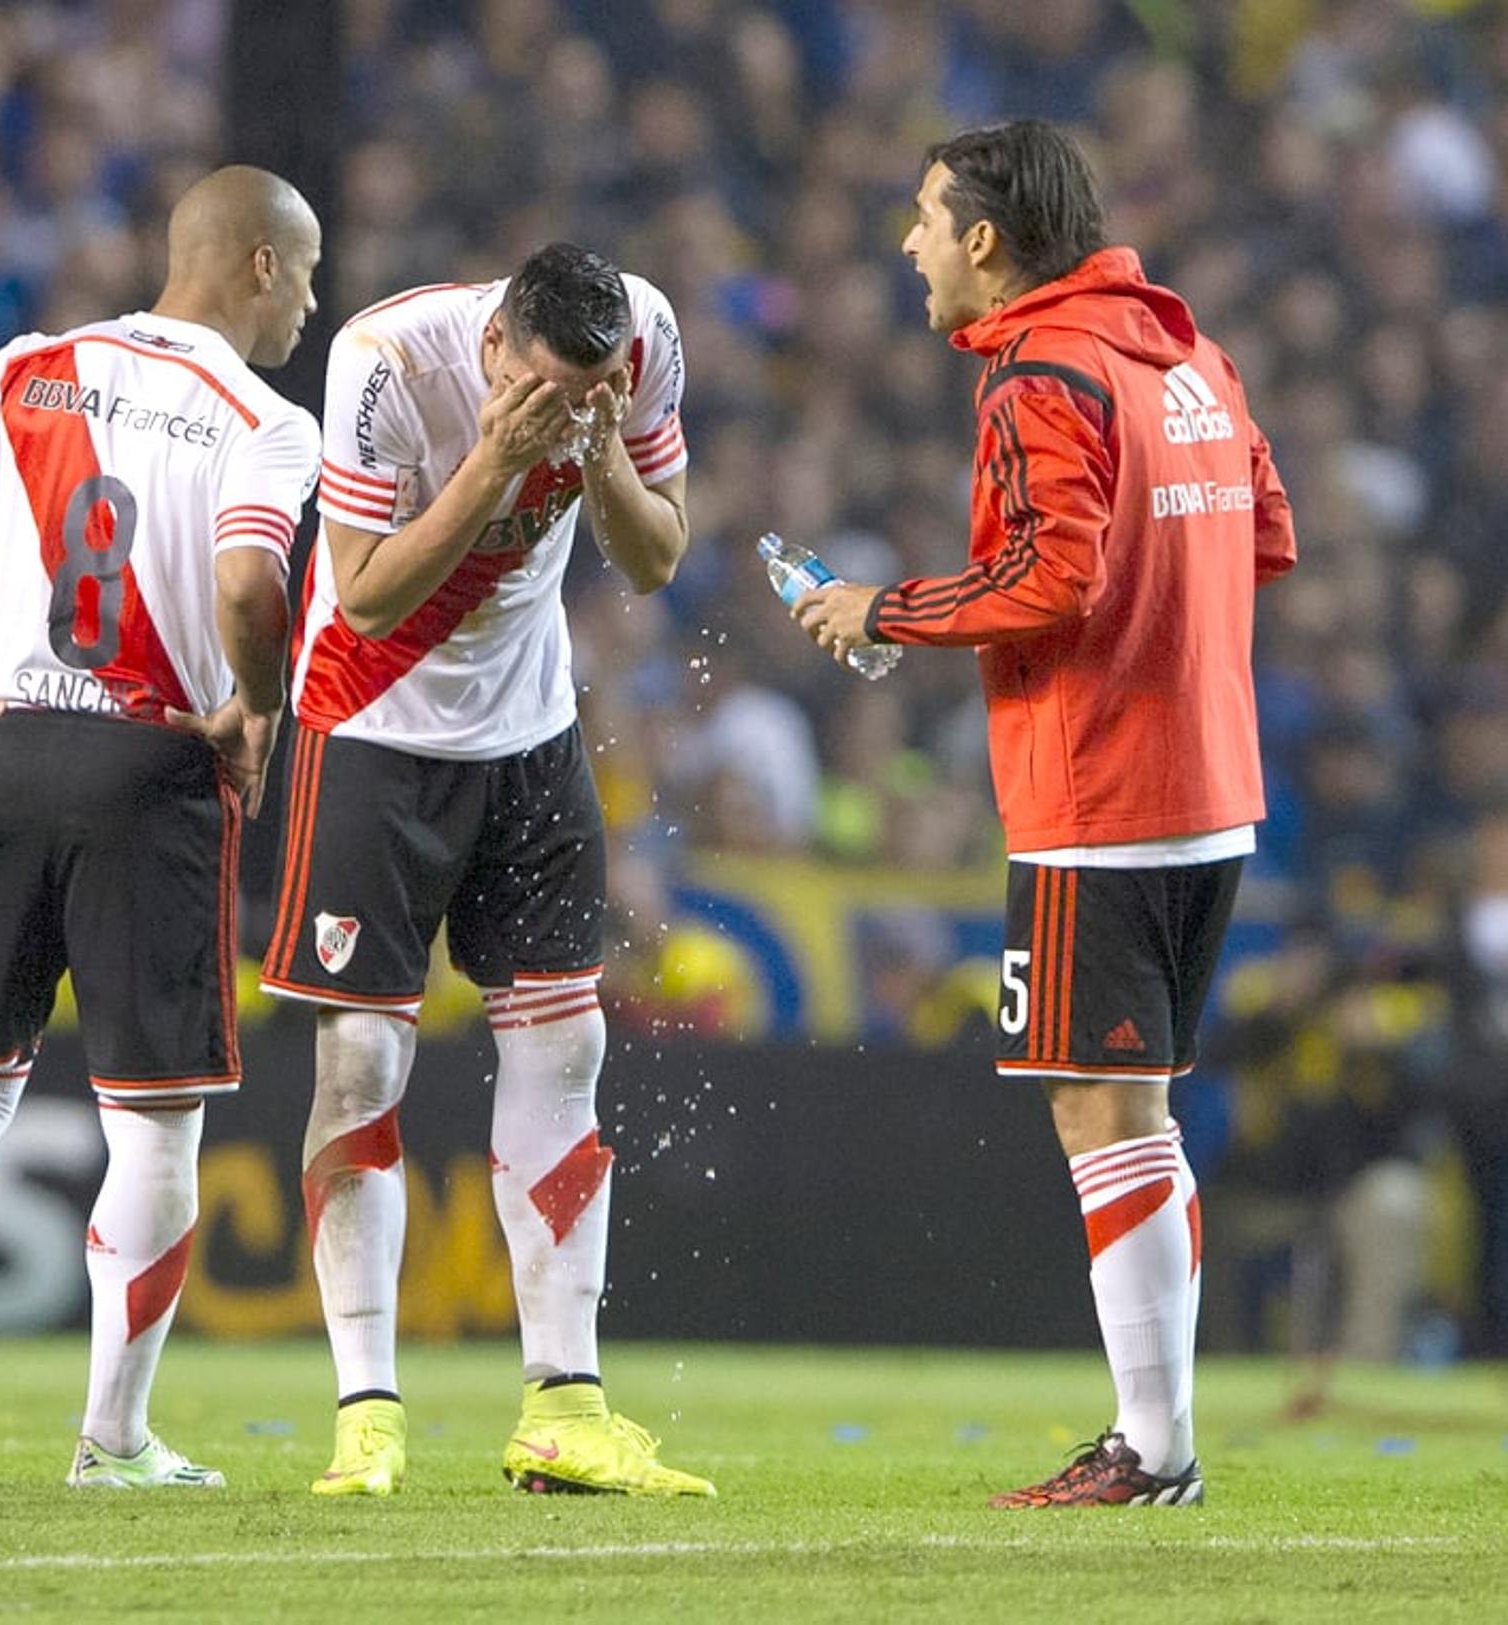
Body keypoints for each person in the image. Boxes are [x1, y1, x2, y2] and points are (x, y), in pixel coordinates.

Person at [795, 121, 1297, 1507]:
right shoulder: (1191, 354)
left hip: (1101, 796)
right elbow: (1265, 531)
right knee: (1140, 1112)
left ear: (984, 238)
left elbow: (1049, 580)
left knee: (1100, 1115)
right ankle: (1165, 1442)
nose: (907, 242)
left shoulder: (1040, 372)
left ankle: (1153, 1449)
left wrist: (880, 607)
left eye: (920, 216)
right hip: (1215, 791)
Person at [0, 166, 322, 1488]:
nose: (313, 303)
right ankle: (111, 1437)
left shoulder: (23, 367)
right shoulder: (264, 417)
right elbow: (242, 580)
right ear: (261, 269)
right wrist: (256, 712)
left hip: (6, 751)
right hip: (149, 766)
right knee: (153, 1125)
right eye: (310, 273)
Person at [260, 243, 711, 1497]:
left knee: (569, 1048)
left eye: (595, 389)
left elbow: (661, 555)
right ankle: (367, 1411)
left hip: (531, 735)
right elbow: (357, 595)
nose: (570, 406)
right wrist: (497, 463)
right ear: (500, 345)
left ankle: (565, 1403)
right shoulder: (386, 358)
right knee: (360, 1061)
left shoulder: (645, 333)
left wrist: (603, 444)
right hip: (375, 735)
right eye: (552, 389)